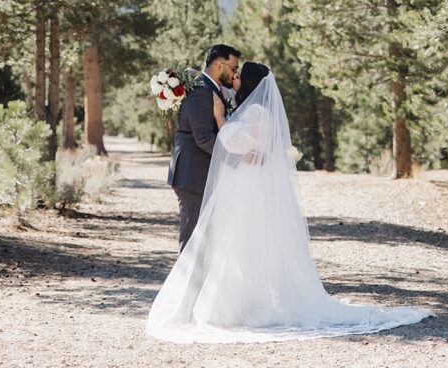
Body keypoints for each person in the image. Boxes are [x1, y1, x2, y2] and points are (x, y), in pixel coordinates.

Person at [148, 62, 433, 343]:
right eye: (234, 73)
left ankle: (235, 306)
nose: (234, 78)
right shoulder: (254, 110)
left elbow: (233, 142)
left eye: (238, 75)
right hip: (243, 188)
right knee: (237, 246)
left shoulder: (259, 113)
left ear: (249, 83)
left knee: (240, 244)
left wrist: (220, 118)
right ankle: (237, 301)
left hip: (247, 192)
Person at [167, 44, 241, 252]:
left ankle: (197, 284)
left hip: (200, 173)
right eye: (233, 68)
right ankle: (185, 285)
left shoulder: (210, 89)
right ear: (219, 65)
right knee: (192, 239)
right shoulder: (201, 91)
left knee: (204, 239)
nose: (235, 73)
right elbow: (204, 138)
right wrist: (237, 159)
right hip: (192, 175)